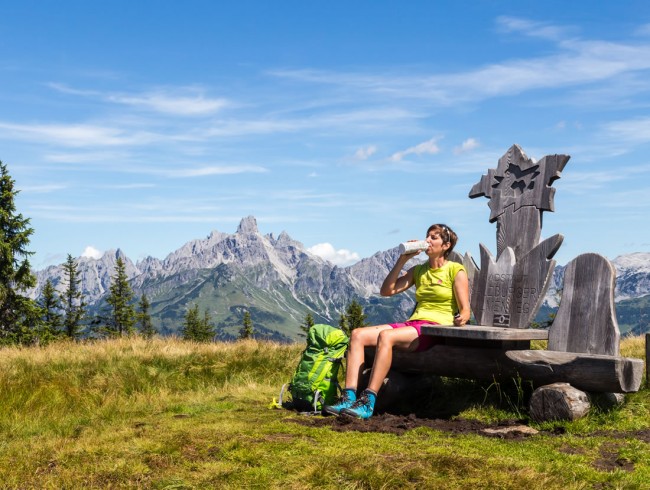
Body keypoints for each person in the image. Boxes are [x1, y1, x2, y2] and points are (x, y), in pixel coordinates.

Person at [323, 223, 470, 419]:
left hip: (434, 328)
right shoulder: (419, 270)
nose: (428, 241)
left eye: (434, 237)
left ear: (446, 245)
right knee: (357, 334)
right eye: (427, 236)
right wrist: (402, 260)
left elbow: (465, 310)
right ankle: (349, 397)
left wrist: (461, 319)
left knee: (386, 336)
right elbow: (387, 291)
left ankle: (368, 401)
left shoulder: (455, 270)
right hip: (414, 324)